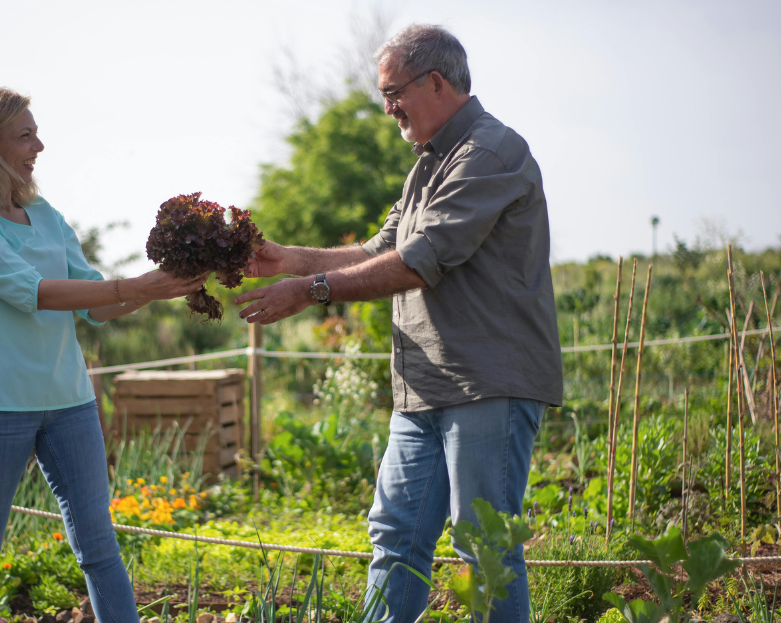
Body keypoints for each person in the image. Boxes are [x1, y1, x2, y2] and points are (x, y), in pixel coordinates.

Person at [234, 25, 563, 623]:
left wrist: (310, 291)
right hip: (424, 391)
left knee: (483, 551)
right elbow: (376, 249)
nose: (387, 109)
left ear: (436, 82)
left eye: (393, 93)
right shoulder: (426, 167)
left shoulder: (491, 153)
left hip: (487, 384)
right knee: (395, 538)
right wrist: (289, 258)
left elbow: (419, 260)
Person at [0, 88, 204, 623]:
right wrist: (135, 284)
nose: (40, 144)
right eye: (25, 134)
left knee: (99, 548)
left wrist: (154, 289)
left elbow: (95, 305)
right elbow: (34, 293)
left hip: (68, 400)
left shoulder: (46, 214)